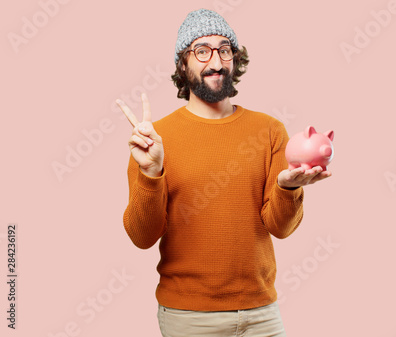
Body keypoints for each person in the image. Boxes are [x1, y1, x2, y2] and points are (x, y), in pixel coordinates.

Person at [115, 8, 332, 337]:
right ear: (182, 63)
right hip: (189, 318)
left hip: (262, 314)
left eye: (224, 50)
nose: (215, 62)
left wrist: (287, 190)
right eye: (201, 51)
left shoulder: (270, 131)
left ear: (235, 59)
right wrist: (152, 173)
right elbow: (142, 238)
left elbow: (281, 228)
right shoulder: (153, 140)